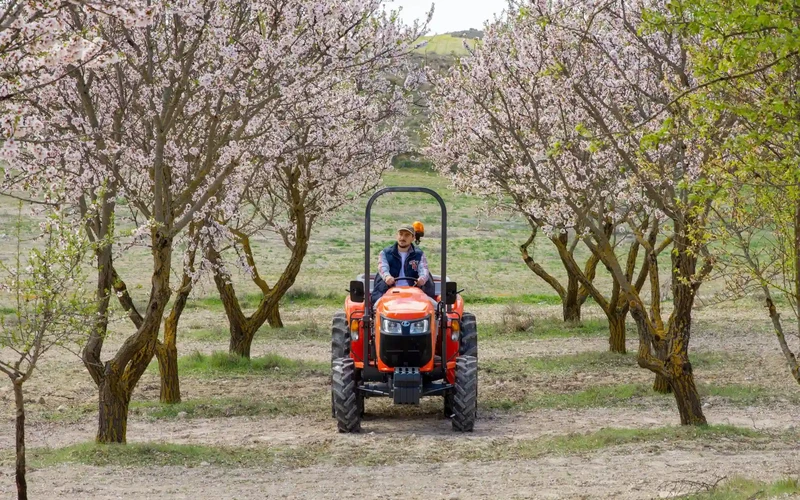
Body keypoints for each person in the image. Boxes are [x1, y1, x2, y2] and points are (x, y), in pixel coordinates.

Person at [371, 224, 436, 307]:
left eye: (407, 235)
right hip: (389, 290)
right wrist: (387, 277)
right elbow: (382, 267)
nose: (402, 238)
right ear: (396, 236)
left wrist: (422, 279)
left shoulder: (419, 255)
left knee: (434, 307)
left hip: (414, 291)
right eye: (400, 234)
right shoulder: (385, 253)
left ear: (413, 238)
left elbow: (423, 269)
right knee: (377, 307)